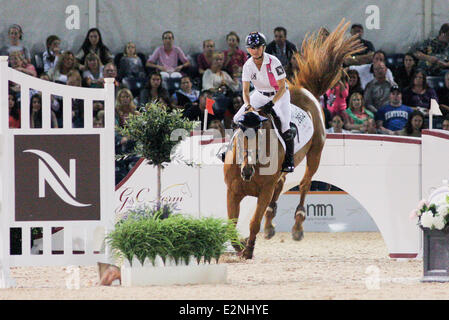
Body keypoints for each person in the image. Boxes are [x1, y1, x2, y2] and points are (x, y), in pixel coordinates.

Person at [231, 32, 294, 172]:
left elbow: (282, 86)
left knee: (284, 125)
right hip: (259, 94)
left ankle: (289, 160)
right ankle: (229, 151)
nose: (255, 50)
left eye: (258, 47)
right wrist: (248, 105)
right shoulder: (247, 65)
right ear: (248, 49)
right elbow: (245, 91)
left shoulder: (273, 61)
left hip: (279, 95)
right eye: (252, 48)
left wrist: (272, 104)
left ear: (264, 47)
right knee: (236, 119)